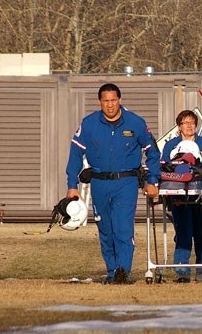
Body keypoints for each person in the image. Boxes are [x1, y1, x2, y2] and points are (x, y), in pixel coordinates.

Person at [65, 83, 160, 285]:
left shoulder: (135, 123)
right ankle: (112, 271)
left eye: (113, 100)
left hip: (126, 183)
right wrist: (72, 185)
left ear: (120, 100)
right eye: (106, 101)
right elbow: (75, 154)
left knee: (123, 229)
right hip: (99, 183)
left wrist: (152, 181)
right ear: (100, 102)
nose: (110, 105)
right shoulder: (89, 124)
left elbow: (153, 152)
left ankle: (122, 271)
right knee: (106, 230)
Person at [160, 110, 202, 283]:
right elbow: (164, 166)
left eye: (192, 122)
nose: (189, 126)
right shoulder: (170, 145)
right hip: (178, 196)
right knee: (183, 232)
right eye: (185, 123)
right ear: (179, 127)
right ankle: (182, 272)